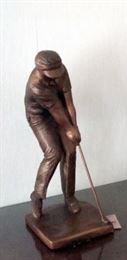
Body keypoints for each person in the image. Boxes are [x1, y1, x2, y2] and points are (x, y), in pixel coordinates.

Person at [25, 50, 81, 219]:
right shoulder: (36, 85)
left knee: (70, 151)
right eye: (51, 74)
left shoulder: (61, 71)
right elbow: (56, 110)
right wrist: (69, 129)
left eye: (57, 72)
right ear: (40, 70)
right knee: (54, 153)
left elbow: (68, 103)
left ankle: (69, 196)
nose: (56, 77)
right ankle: (37, 196)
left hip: (59, 111)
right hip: (40, 117)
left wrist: (75, 127)